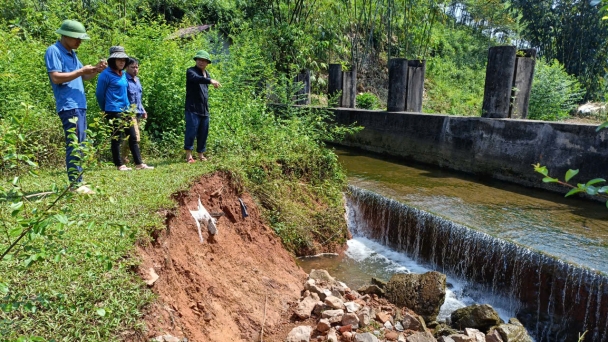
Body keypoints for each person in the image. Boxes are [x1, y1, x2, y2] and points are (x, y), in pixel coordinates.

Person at [45, 19, 106, 194]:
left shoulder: (72, 54)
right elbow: (56, 77)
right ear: (65, 35)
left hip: (80, 105)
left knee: (80, 143)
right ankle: (75, 185)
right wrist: (81, 71)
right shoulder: (54, 51)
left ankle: (79, 181)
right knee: (74, 144)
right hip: (69, 105)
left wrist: (95, 69)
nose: (79, 42)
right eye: (76, 38)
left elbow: (83, 77)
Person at [96, 46, 153, 171]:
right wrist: (105, 109)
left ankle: (139, 163)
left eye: (123, 60)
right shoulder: (105, 74)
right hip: (113, 110)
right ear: (113, 61)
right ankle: (119, 164)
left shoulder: (122, 75)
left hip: (126, 109)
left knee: (132, 136)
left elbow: (125, 94)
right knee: (117, 137)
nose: (122, 62)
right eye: (119, 60)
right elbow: (100, 94)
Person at [184, 50, 221, 163]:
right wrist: (210, 80)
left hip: (204, 109)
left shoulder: (207, 73)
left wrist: (209, 80)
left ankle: (201, 155)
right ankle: (189, 156)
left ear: (207, 62)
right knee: (191, 131)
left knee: (203, 132)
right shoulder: (191, 71)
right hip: (192, 108)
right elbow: (196, 79)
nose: (201, 62)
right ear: (196, 60)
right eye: (199, 60)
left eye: (204, 60)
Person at [121, 57, 147, 164]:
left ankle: (124, 157)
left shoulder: (137, 81)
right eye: (132, 67)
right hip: (128, 112)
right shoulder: (124, 80)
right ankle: (125, 157)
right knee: (135, 137)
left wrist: (143, 110)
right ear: (126, 67)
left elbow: (138, 98)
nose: (135, 69)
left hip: (138, 112)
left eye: (137, 67)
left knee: (130, 137)